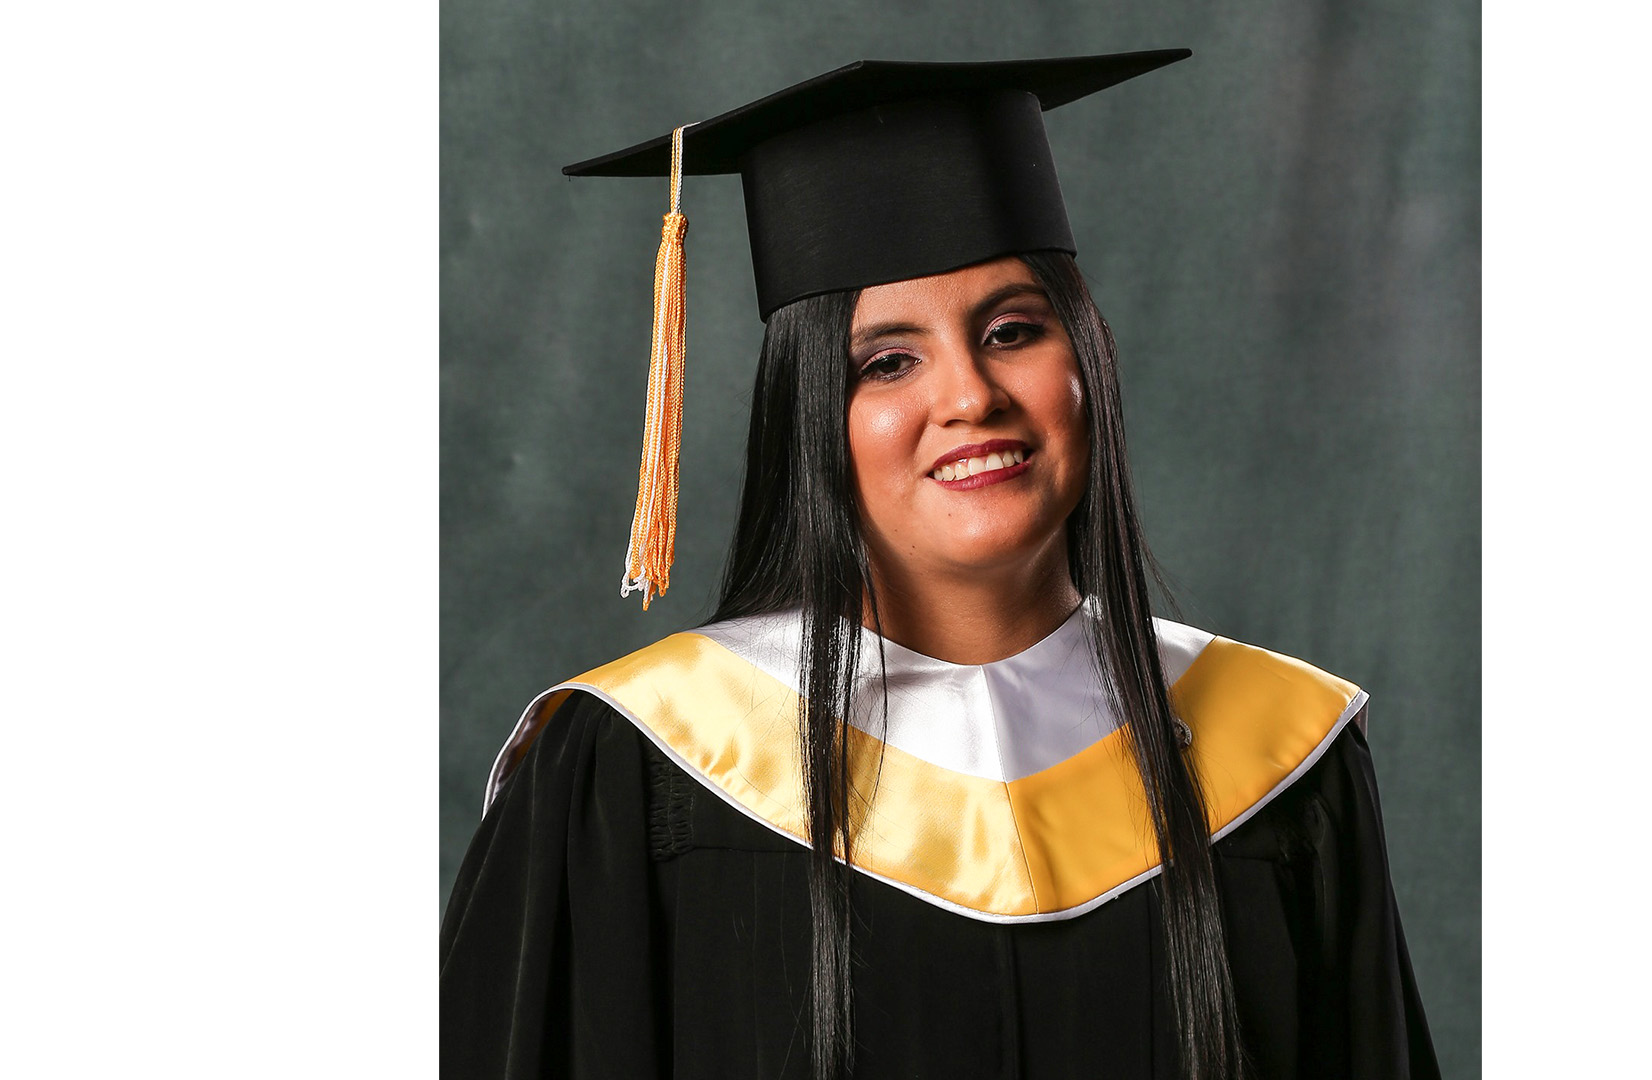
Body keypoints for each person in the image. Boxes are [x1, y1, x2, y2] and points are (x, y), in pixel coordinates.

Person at [441, 50, 1440, 1079]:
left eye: (1013, 331)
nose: (969, 396)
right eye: (888, 362)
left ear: (1089, 361)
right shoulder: (641, 765)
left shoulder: (1282, 759)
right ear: (808, 414)